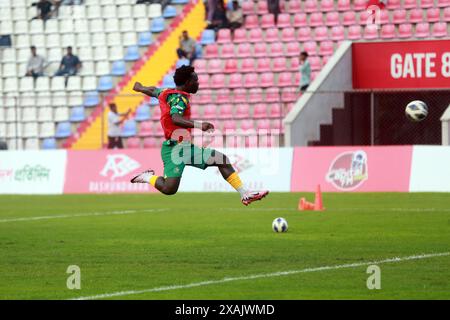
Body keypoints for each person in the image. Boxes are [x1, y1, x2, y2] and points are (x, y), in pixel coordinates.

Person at [130, 65, 269, 206]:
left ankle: (245, 194)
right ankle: (148, 177)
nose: (198, 83)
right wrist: (199, 125)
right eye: (195, 80)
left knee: (221, 159)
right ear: (187, 82)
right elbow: (175, 118)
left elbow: (153, 90)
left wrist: (140, 87)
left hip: (184, 147)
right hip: (174, 149)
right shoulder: (179, 99)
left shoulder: (167, 92)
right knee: (169, 189)